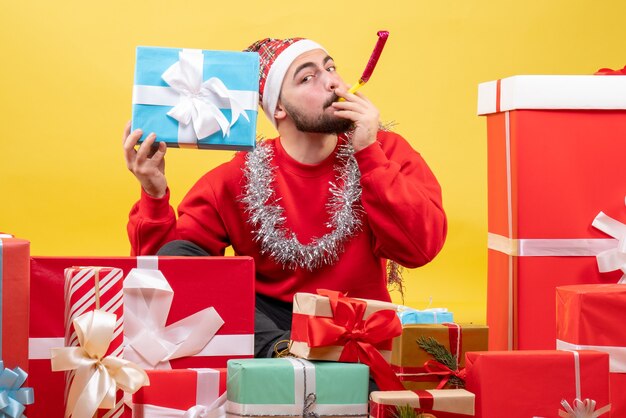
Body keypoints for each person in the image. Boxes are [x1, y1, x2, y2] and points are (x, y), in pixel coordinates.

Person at [123, 37, 447, 359]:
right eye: (308, 77)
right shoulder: (237, 178)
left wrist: (369, 155)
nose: (332, 82)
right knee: (181, 254)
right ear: (278, 107)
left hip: (356, 329)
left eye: (331, 68)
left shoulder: (383, 151)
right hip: (273, 336)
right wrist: (154, 195)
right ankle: (286, 358)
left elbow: (421, 247)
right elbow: (163, 275)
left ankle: (317, 368)